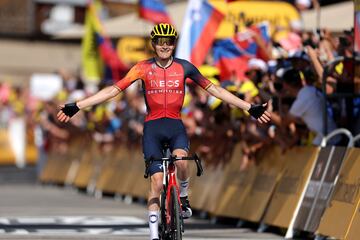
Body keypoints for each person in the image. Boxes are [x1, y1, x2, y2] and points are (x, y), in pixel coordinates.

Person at [57, 23, 271, 240]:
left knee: (181, 162)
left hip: (175, 126)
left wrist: (248, 108)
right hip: (153, 128)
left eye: (169, 42)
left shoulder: (185, 67)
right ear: (153, 44)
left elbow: (214, 90)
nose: (164, 46)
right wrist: (78, 105)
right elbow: (114, 90)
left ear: (174, 44)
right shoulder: (142, 68)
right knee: (157, 182)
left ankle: (184, 196)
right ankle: (153, 236)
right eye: (160, 42)